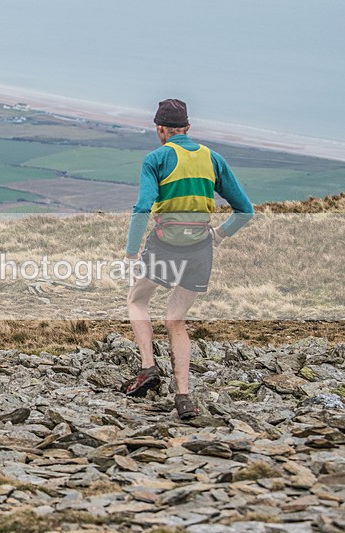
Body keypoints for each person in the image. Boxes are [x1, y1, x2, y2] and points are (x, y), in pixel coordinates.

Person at [123, 99, 254, 419]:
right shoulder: (213, 159)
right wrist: (219, 236)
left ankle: (148, 367)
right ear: (188, 128)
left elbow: (142, 208)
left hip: (165, 247)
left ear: (160, 129)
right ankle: (183, 396)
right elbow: (245, 211)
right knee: (176, 321)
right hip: (200, 250)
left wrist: (129, 252)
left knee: (137, 301)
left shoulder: (156, 159)